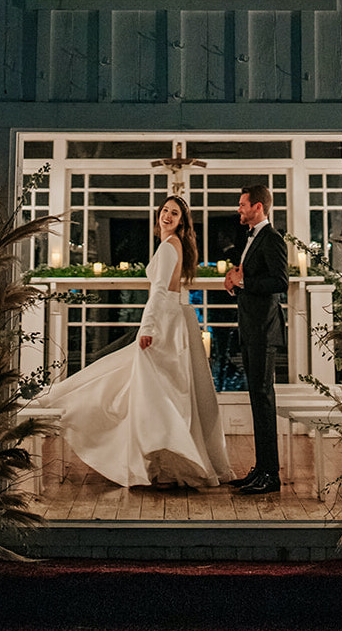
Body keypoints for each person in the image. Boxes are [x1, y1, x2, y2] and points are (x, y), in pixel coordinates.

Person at [44, 196, 231, 488]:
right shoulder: (172, 244)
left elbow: (158, 292)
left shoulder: (170, 247)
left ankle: (160, 460)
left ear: (182, 221)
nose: (167, 216)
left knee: (156, 390)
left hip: (165, 323)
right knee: (159, 389)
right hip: (174, 320)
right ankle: (160, 462)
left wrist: (148, 328)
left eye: (175, 213)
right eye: (165, 211)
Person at [224, 184, 288, 494]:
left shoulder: (272, 238)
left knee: (263, 400)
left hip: (264, 330)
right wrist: (235, 281)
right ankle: (261, 469)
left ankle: (271, 475)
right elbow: (247, 277)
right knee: (256, 400)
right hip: (251, 329)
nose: (239, 209)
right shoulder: (250, 238)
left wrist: (244, 280)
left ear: (258, 207)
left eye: (242, 204)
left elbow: (279, 281)